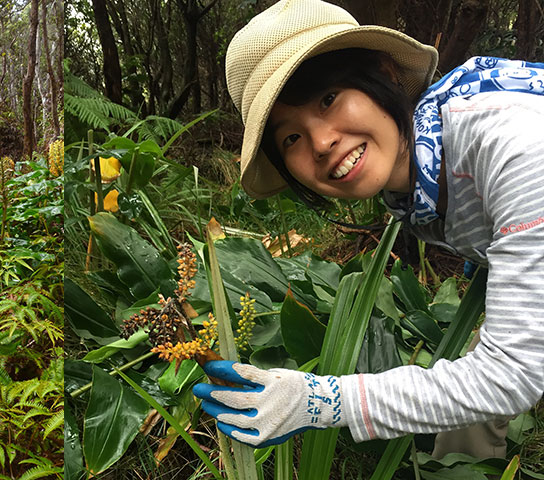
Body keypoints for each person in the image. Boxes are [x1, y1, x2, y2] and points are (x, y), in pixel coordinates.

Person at [192, 0, 544, 460]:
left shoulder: (512, 145)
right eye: (291, 137)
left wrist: (320, 402)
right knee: (469, 424)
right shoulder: (415, 184)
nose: (320, 143)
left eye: (327, 98)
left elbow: (511, 374)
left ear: (384, 71)